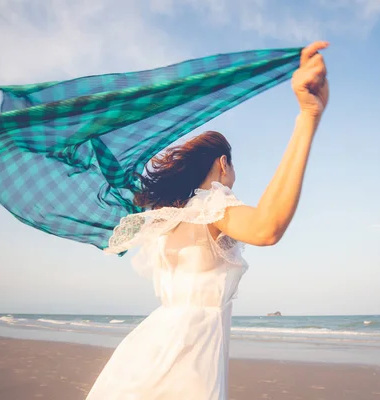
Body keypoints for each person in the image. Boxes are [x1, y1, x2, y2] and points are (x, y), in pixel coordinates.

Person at [86, 41, 329, 400]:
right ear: (223, 164)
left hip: (147, 348)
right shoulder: (212, 206)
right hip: (188, 360)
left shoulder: (164, 220)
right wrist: (308, 119)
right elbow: (266, 227)